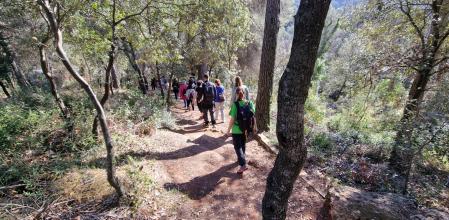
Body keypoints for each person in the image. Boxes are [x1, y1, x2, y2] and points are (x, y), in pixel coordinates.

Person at [226, 86, 256, 174]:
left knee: (237, 147)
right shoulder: (250, 103)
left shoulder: (235, 104)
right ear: (244, 93)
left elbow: (232, 119)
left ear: (236, 94)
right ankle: (241, 157)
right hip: (246, 129)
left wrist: (228, 131)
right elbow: (253, 116)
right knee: (243, 144)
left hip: (236, 129)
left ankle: (243, 164)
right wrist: (254, 127)